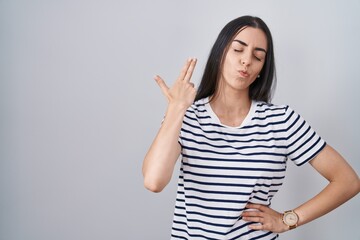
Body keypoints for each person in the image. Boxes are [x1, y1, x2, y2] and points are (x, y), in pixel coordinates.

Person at [142, 15, 360, 239]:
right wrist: (177, 109)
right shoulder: (186, 116)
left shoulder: (280, 120)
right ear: (220, 54)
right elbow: (153, 181)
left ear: (261, 69)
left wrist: (289, 219)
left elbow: (348, 181)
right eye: (238, 50)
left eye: (257, 56)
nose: (246, 60)